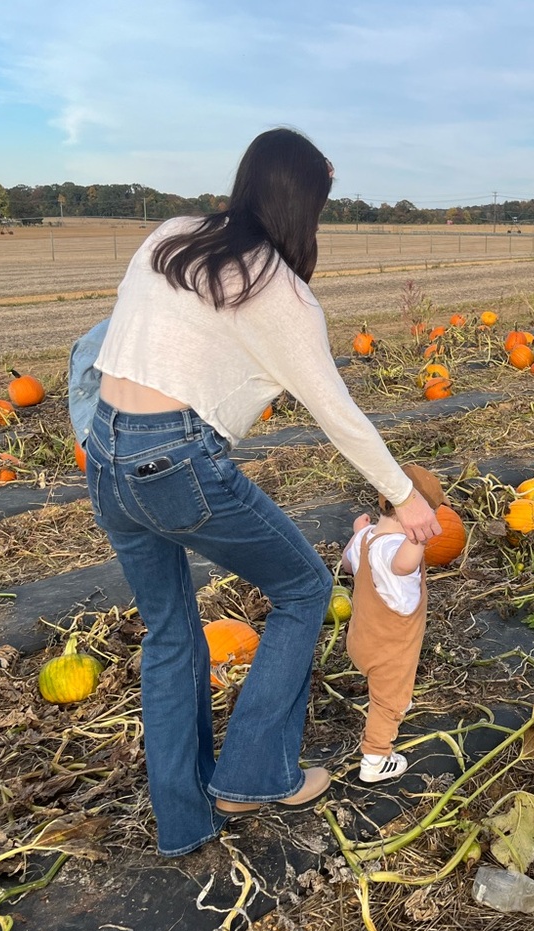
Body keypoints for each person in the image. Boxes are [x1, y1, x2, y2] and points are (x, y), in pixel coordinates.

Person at [72, 127, 441, 857]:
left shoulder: (171, 237)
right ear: (306, 207)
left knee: (172, 637)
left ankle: (183, 823)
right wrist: (406, 496)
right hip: (176, 458)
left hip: (106, 454)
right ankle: (250, 775)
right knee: (305, 588)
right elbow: (337, 411)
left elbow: (108, 336)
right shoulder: (281, 293)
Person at [341, 465, 445, 782]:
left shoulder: (366, 538)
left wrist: (358, 529)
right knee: (389, 703)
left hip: (360, 638)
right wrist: (419, 541)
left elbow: (347, 562)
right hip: (391, 649)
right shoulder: (399, 550)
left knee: (387, 690)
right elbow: (402, 564)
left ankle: (389, 699)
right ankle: (375, 759)